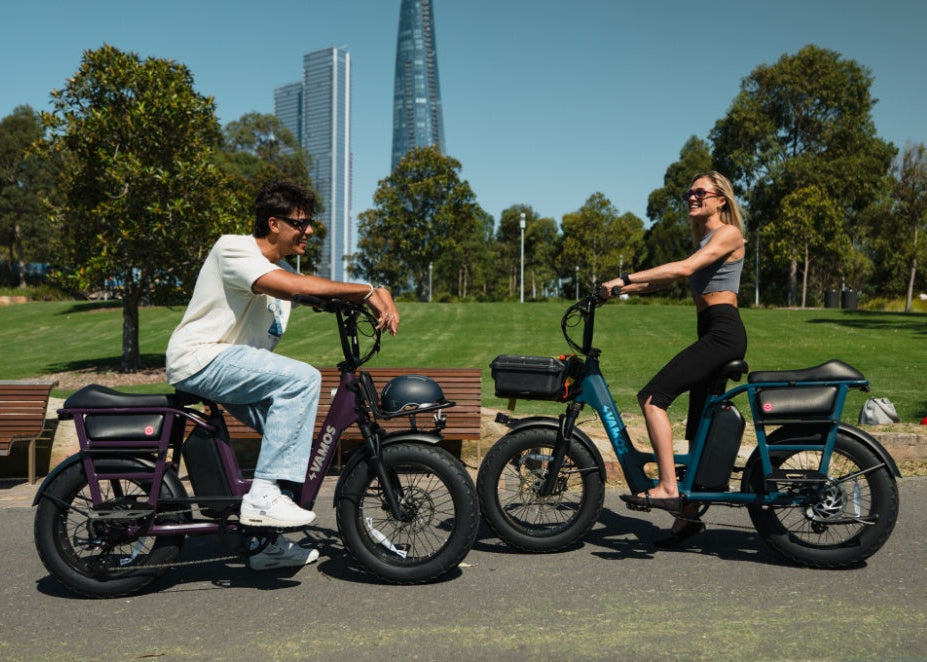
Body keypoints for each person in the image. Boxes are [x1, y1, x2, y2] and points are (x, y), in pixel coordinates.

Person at [166, 181, 399, 569]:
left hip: (231, 366)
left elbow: (315, 291)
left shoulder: (283, 268)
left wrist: (375, 292)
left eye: (310, 224)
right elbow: (296, 287)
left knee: (291, 440)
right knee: (302, 379)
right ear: (273, 224)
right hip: (200, 358)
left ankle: (262, 545)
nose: (309, 231)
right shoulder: (233, 249)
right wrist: (363, 290)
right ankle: (261, 501)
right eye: (300, 223)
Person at [601, 170, 746, 547]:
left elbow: (682, 269)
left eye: (701, 192)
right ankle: (686, 521)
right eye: (689, 193)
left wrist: (625, 276)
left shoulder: (728, 234)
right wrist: (618, 288)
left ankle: (668, 487)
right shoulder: (705, 241)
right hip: (711, 331)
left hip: (723, 333)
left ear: (721, 199)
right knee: (698, 431)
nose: (692, 197)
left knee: (652, 398)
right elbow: (662, 281)